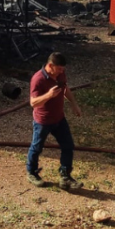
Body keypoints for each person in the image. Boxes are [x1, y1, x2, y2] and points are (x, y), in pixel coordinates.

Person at [26, 52, 83, 189]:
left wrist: (74, 104)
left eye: (63, 69)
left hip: (59, 118)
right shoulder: (38, 79)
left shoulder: (60, 75)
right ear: (50, 65)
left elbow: (65, 89)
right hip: (43, 121)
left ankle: (65, 177)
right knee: (37, 147)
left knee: (68, 145)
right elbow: (33, 103)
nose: (62, 72)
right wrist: (49, 95)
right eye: (60, 69)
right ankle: (31, 172)